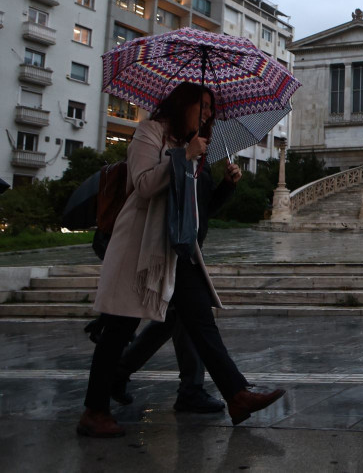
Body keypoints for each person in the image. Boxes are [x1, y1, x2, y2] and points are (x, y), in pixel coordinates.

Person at [77, 83, 284, 438]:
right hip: (139, 246)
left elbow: (197, 210)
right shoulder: (151, 132)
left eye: (210, 108)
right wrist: (184, 155)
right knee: (120, 329)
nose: (207, 113)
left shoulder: (196, 149)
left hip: (177, 251)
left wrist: (225, 187)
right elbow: (143, 185)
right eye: (202, 105)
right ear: (182, 104)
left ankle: (237, 395)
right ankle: (94, 410)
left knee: (201, 320)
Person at [108, 145, 242, 414]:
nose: (208, 122)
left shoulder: (201, 162)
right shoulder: (171, 150)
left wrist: (227, 185)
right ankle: (194, 390)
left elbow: (204, 210)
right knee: (188, 317)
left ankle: (119, 373)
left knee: (172, 321)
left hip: (189, 249)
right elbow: (154, 195)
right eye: (203, 111)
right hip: (166, 250)